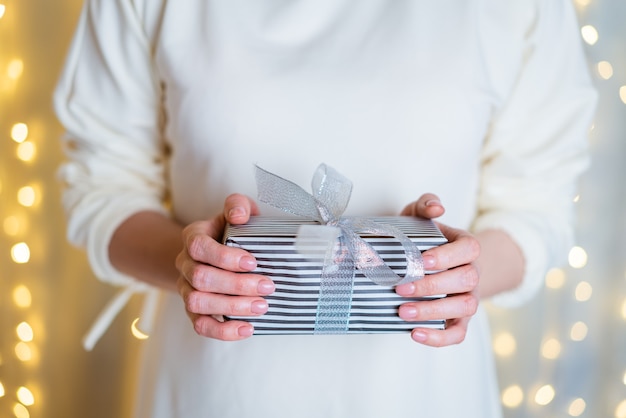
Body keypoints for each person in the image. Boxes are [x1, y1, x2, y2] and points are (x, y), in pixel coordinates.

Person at [53, 0, 596, 417]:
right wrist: (190, 260)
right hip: (216, 393)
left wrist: (461, 272)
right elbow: (103, 181)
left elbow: (536, 202)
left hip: (425, 396)